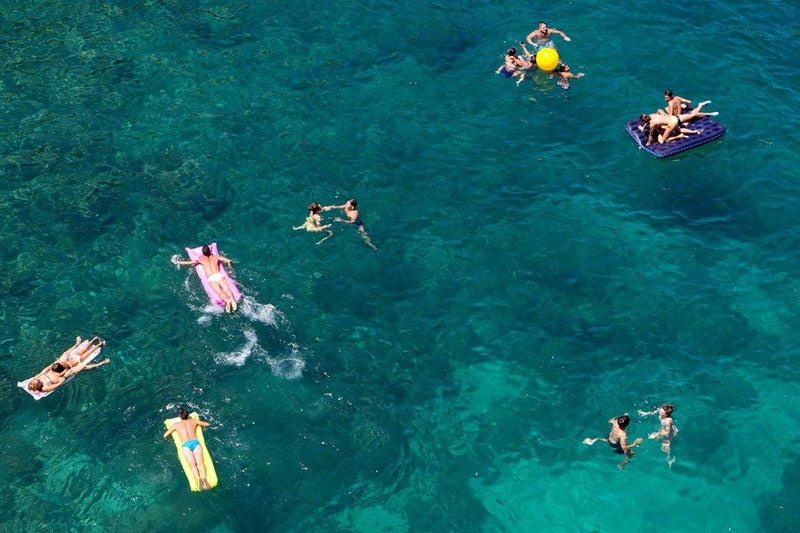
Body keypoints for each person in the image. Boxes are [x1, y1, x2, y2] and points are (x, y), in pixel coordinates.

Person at [173, 245, 238, 312]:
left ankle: (227, 301)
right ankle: (232, 300)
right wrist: (230, 269)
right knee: (226, 288)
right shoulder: (216, 257)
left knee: (219, 292)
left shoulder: (201, 260)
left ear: (203, 253)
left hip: (211, 278)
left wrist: (177, 262)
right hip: (219, 275)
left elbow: (188, 263)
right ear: (210, 251)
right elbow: (229, 261)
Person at [163, 408, 212, 491]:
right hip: (195, 443)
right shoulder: (193, 421)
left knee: (192, 463)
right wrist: (201, 429)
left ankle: (198, 479)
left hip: (186, 445)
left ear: (180, 416)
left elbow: (165, 435)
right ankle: (204, 478)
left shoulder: (176, 425)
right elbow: (207, 424)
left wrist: (171, 438)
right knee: (200, 462)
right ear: (187, 415)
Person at [638, 101, 719, 145]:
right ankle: (709, 113)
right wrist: (644, 127)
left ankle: (680, 136)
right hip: (675, 118)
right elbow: (648, 121)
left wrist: (648, 143)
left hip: (672, 124)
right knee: (692, 116)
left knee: (663, 141)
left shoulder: (652, 124)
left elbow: (651, 135)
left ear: (644, 121)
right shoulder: (651, 115)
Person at [27, 355, 110, 393]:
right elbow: (59, 384)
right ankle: (102, 363)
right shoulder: (45, 388)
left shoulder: (36, 379)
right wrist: (66, 376)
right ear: (39, 385)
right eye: (38, 380)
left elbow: (43, 371)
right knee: (83, 366)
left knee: (65, 354)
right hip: (63, 375)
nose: (38, 378)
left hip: (55, 370)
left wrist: (53, 364)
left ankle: (77, 344)